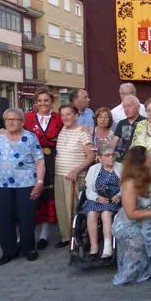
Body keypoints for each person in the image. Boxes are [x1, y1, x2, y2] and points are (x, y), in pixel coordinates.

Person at [0, 108, 44, 265]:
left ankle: (28, 248)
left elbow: (40, 161)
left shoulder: (30, 138)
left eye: (14, 119)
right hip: (2, 185)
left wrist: (39, 183)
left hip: (26, 184)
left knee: (26, 218)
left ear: (22, 121)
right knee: (3, 219)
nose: (10, 122)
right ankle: (9, 251)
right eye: (7, 119)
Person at [112, 146, 151, 285]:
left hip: (149, 218)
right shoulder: (129, 183)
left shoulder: (150, 176)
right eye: (148, 157)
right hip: (130, 221)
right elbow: (130, 213)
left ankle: (147, 268)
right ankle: (130, 273)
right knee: (137, 239)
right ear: (141, 161)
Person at [23, 86, 64, 250]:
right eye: (39, 100)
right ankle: (25, 235)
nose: (42, 103)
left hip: (52, 160)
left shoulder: (59, 118)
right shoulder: (26, 118)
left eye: (46, 100)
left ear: (52, 102)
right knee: (30, 196)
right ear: (35, 103)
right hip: (30, 162)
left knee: (47, 197)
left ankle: (44, 235)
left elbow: (70, 129)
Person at [55, 104, 95, 249]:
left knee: (74, 208)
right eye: (63, 115)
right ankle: (66, 237)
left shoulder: (83, 132)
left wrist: (76, 170)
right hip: (59, 174)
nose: (65, 117)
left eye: (69, 114)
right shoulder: (62, 130)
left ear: (76, 116)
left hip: (74, 176)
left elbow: (91, 156)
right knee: (61, 208)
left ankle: (78, 238)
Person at [83, 145, 122, 260]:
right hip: (98, 199)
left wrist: (119, 195)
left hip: (114, 200)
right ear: (99, 158)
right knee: (91, 213)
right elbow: (88, 189)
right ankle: (94, 248)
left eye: (113, 155)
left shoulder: (121, 168)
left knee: (106, 213)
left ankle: (107, 248)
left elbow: (127, 186)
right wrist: (97, 198)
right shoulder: (93, 169)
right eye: (107, 155)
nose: (111, 158)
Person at [111, 95, 145, 162]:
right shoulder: (122, 123)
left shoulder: (144, 122)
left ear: (138, 107)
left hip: (140, 158)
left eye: (129, 106)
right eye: (124, 107)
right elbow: (114, 142)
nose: (126, 109)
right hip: (123, 159)